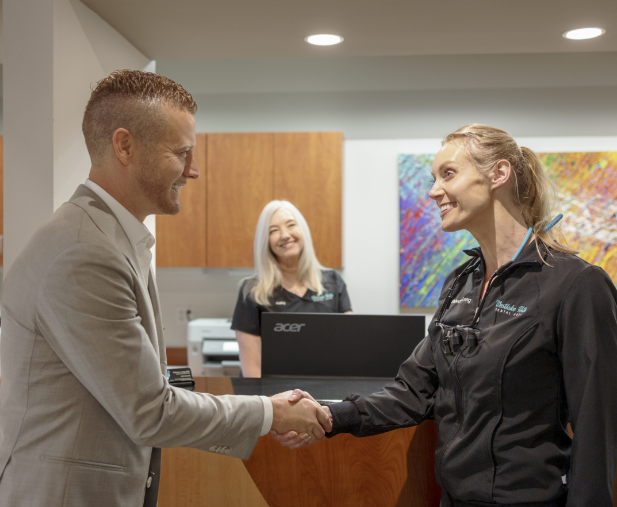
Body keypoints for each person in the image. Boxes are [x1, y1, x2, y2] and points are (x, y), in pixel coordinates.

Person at [0, 70, 330, 507]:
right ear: (124, 146)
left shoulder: (110, 239)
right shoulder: (84, 253)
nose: (194, 171)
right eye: (182, 153)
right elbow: (149, 411)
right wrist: (271, 412)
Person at [276, 124, 617, 506]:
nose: (433, 190)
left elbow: (597, 427)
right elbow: (414, 391)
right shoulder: (460, 283)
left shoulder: (577, 285)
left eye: (448, 174)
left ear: (498, 175)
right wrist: (332, 415)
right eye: (433, 177)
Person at [231, 200, 352, 377]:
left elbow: (350, 346)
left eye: (291, 225)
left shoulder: (333, 281)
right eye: (274, 230)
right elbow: (252, 371)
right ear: (265, 240)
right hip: (273, 396)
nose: (285, 235)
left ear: (302, 229)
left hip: (325, 389)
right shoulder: (252, 291)